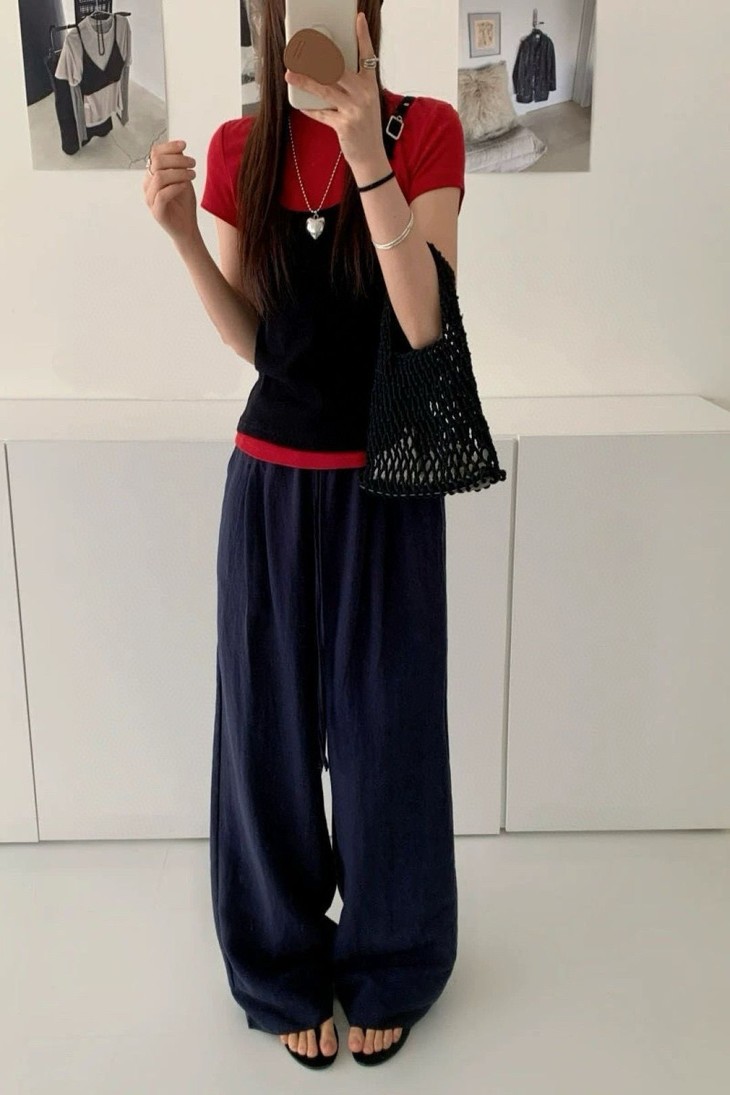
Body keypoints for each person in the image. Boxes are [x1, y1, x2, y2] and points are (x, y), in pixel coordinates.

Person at [143, 0, 465, 1071]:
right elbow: (258, 341)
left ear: (369, 16)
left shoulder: (424, 131)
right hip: (270, 487)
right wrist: (184, 237)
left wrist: (367, 153)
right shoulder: (241, 147)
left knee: (389, 735)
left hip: (387, 489)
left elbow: (424, 328)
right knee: (266, 738)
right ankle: (279, 962)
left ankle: (393, 957)